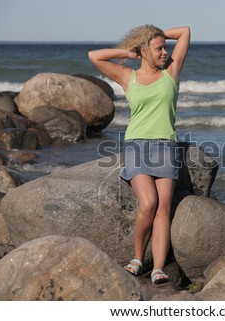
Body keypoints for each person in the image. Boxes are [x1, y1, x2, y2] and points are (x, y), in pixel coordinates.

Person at [88, 25, 190, 285]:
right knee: (148, 203)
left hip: (166, 146)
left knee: (163, 208)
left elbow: (185, 31)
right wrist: (131, 49)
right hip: (137, 147)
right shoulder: (127, 76)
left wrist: (157, 34)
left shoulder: (171, 72)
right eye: (159, 48)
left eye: (165, 47)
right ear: (144, 51)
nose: (165, 51)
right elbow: (94, 56)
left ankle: (157, 267)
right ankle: (136, 258)